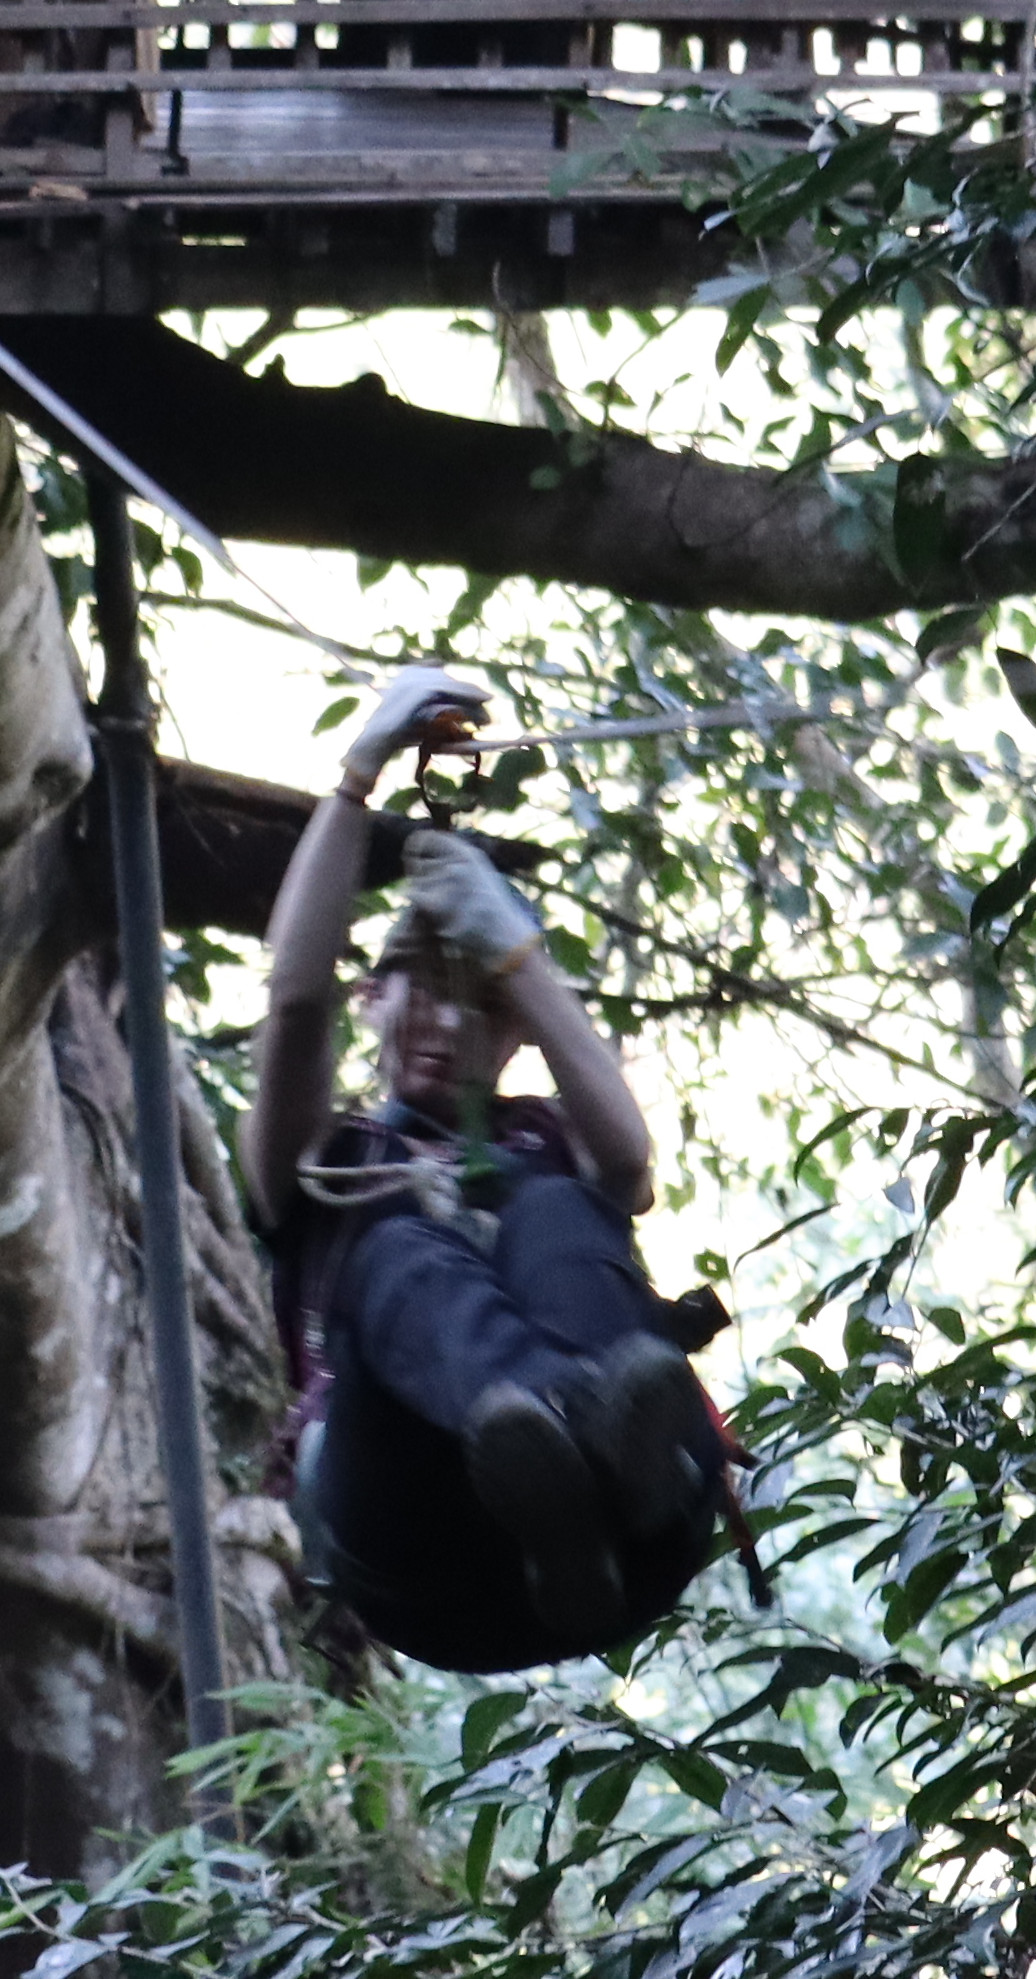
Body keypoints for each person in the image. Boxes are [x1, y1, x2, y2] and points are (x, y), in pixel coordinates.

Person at [245, 662, 726, 1672]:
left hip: (631, 1540)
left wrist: (518, 958)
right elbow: (293, 1004)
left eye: (478, 1002)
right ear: (372, 998)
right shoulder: (326, 1162)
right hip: (420, 1550)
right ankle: (559, 1425)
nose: (441, 1018)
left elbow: (629, 1157)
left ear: (514, 1033)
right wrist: (356, 781)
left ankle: (584, 1462)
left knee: (555, 1207)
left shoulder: (551, 1139)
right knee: (398, 1255)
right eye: (415, 986)